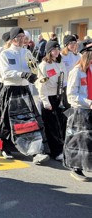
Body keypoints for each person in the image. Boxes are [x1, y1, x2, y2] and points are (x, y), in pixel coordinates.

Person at [0, 27, 50, 164]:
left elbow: (33, 68)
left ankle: (36, 152)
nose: (23, 39)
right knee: (8, 122)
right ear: (14, 39)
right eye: (20, 37)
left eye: (23, 37)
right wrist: (22, 74)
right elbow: (6, 73)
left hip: (24, 89)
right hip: (10, 89)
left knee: (30, 121)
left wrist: (37, 75)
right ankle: (6, 149)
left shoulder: (27, 52)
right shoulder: (5, 54)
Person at [64, 39, 92, 182]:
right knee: (79, 141)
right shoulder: (77, 71)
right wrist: (88, 102)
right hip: (81, 110)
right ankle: (76, 168)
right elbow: (71, 95)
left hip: (90, 109)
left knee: (89, 141)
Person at [37, 41, 67, 161]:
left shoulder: (59, 63)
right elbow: (41, 85)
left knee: (60, 125)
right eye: (54, 50)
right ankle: (54, 151)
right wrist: (45, 101)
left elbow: (64, 78)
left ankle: (59, 148)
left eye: (58, 49)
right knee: (51, 126)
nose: (56, 52)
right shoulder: (44, 65)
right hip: (48, 96)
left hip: (58, 96)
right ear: (49, 51)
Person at [61, 35, 81, 109]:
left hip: (77, 84)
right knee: (67, 105)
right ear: (66, 44)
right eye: (71, 43)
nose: (73, 45)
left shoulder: (79, 56)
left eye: (74, 43)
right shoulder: (62, 56)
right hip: (66, 84)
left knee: (76, 104)